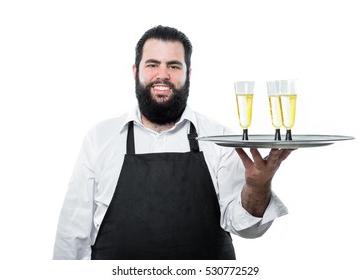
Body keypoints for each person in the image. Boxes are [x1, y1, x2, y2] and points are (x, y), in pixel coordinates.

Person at [53, 25, 293, 260]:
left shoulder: (219, 138)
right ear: (136, 70)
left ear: (189, 73)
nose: (163, 75)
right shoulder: (100, 138)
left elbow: (247, 228)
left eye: (174, 66)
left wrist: (257, 186)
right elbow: (72, 235)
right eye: (152, 64)